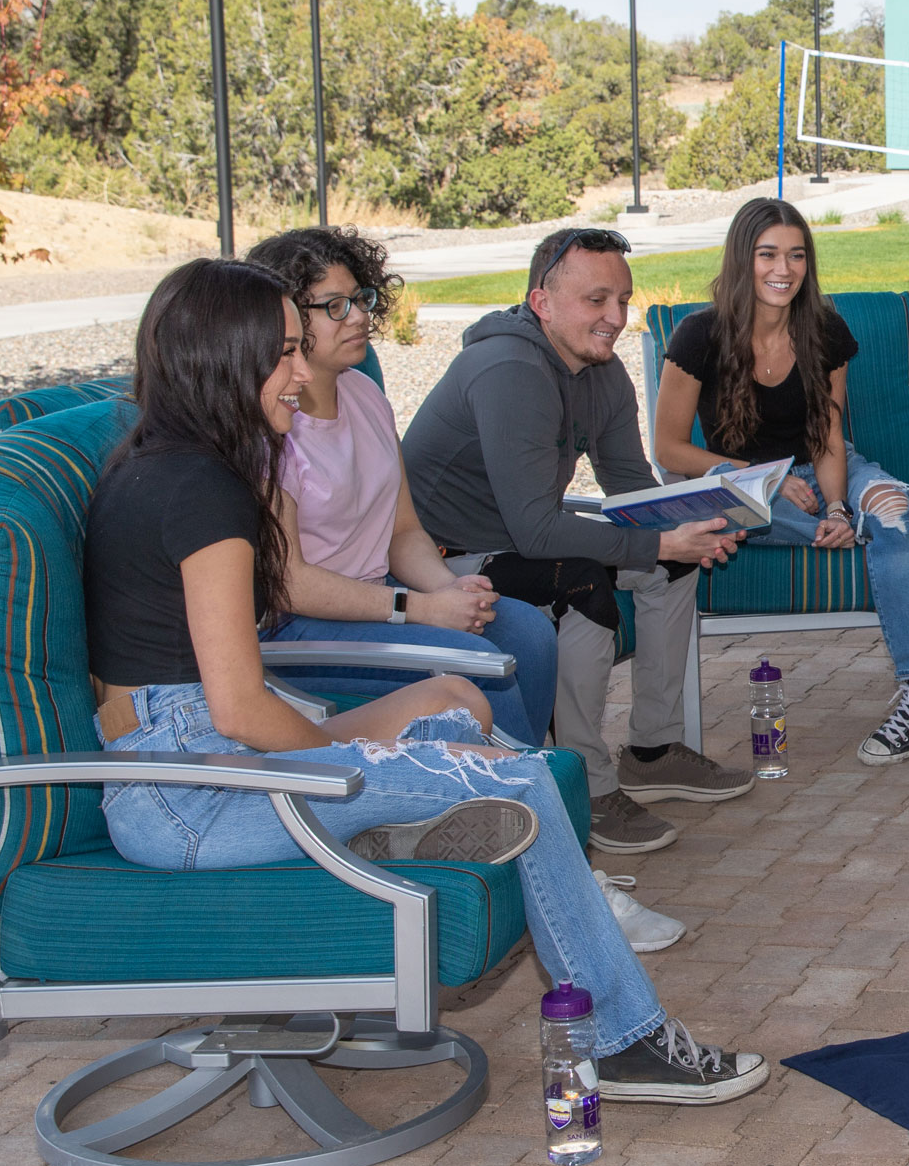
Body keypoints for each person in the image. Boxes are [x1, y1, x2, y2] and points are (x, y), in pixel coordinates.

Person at [85, 258, 766, 1104]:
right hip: (196, 791)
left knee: (452, 714)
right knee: (516, 779)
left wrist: (368, 752)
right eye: (285, 352)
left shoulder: (171, 463)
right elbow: (240, 707)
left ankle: (397, 832)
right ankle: (623, 1038)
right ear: (224, 357)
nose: (304, 373)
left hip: (187, 765)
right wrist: (348, 766)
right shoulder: (201, 492)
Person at [243, 227, 686, 954]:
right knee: (484, 657)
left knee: (519, 629)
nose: (360, 317)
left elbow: (404, 532)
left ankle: (529, 825)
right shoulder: (267, 423)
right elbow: (286, 584)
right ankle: (566, 867)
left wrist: (450, 591)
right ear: (281, 321)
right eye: (335, 305)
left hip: (379, 595)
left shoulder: (360, 394)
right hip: (303, 633)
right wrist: (419, 610)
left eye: (364, 298)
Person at [401, 227, 751, 855]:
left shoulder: (602, 371)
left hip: (520, 536)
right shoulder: (508, 368)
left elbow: (630, 488)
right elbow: (538, 529)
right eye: (596, 301)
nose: (616, 318)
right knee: (586, 584)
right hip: (446, 558)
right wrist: (659, 543)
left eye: (623, 299)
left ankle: (652, 747)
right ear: (542, 303)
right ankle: (582, 783)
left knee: (674, 566)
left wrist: (689, 528)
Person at [654, 198, 909, 765]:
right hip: (741, 483)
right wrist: (765, 476)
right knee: (745, 507)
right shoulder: (700, 335)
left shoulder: (825, 331)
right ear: (744, 259)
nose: (782, 269)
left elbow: (830, 438)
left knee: (886, 506)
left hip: (820, 470)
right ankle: (898, 535)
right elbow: (668, 448)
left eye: (796, 255)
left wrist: (837, 508)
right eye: (767, 254)